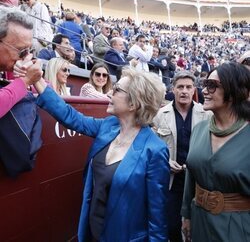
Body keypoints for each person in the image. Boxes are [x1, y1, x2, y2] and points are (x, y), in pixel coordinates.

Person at [30, 66, 170, 242]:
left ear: (134, 103)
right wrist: (37, 80)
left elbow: (157, 215)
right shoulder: (108, 126)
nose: (110, 93)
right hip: (92, 232)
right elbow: (71, 117)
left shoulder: (155, 150)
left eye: (117, 90)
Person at [181, 62, 250, 242]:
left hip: (238, 227)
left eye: (212, 86)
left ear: (233, 92)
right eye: (205, 84)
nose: (204, 91)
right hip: (199, 223)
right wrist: (186, 215)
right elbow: (191, 176)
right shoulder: (200, 129)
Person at [153, 70, 211, 242]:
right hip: (172, 182)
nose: (184, 91)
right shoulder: (159, 115)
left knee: (199, 226)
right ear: (173, 89)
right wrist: (166, 161)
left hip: (198, 181)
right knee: (172, 227)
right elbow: (154, 149)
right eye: (180, 87)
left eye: (188, 87)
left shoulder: (207, 114)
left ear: (194, 89)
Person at [0, 5, 42, 118]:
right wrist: (25, 81)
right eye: (21, 50)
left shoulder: (9, 68)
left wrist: (35, 79)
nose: (27, 56)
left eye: (29, 50)